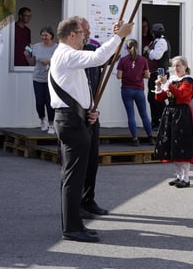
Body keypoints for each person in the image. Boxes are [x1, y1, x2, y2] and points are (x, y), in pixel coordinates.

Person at [49, 15, 132, 243]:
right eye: (82, 33)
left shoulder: (66, 55)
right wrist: (118, 36)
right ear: (71, 34)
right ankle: (72, 227)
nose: (85, 37)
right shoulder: (66, 53)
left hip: (75, 118)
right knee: (74, 178)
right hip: (70, 122)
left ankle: (74, 224)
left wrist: (88, 110)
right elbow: (98, 57)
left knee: (74, 176)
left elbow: (77, 89)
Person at [153, 55, 193, 187]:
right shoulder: (172, 81)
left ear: (185, 66)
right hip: (171, 113)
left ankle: (186, 178)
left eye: (178, 65)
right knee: (173, 145)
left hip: (182, 114)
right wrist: (159, 86)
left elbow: (183, 96)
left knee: (182, 144)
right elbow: (160, 98)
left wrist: (167, 85)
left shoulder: (188, 81)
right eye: (174, 66)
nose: (176, 68)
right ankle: (179, 176)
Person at [116, 38, 153, 145]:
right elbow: (147, 75)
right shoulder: (143, 60)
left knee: (130, 115)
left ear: (127, 49)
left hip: (127, 90)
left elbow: (119, 76)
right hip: (139, 90)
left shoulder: (123, 60)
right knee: (144, 115)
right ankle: (150, 137)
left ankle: (135, 139)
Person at [25, 25, 56, 133]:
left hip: (51, 79)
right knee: (39, 102)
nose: (44, 37)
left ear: (51, 35)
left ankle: (51, 124)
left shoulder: (56, 47)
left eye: (46, 35)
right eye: (42, 35)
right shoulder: (36, 47)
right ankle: (42, 120)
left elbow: (61, 62)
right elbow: (31, 63)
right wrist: (27, 56)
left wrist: (49, 62)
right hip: (37, 78)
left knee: (50, 102)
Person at [146, 23, 170, 129]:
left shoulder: (162, 42)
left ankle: (163, 120)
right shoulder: (155, 42)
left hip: (160, 72)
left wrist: (148, 51)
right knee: (152, 97)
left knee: (158, 97)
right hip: (154, 73)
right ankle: (155, 121)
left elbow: (156, 56)